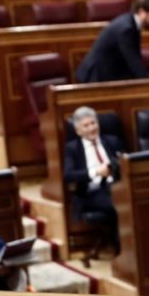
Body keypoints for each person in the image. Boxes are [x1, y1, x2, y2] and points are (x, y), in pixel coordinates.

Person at [63, 106, 123, 253]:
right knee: (120, 205)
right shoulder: (73, 148)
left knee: (126, 200)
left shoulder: (112, 141)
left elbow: (125, 162)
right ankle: (121, 250)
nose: (92, 128)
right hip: (90, 194)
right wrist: (95, 172)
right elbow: (68, 175)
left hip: (116, 187)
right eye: (86, 125)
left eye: (93, 123)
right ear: (78, 131)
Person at [75, 0, 149, 83]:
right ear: (142, 12)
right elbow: (133, 61)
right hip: (96, 75)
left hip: (106, 72)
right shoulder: (127, 29)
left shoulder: (130, 22)